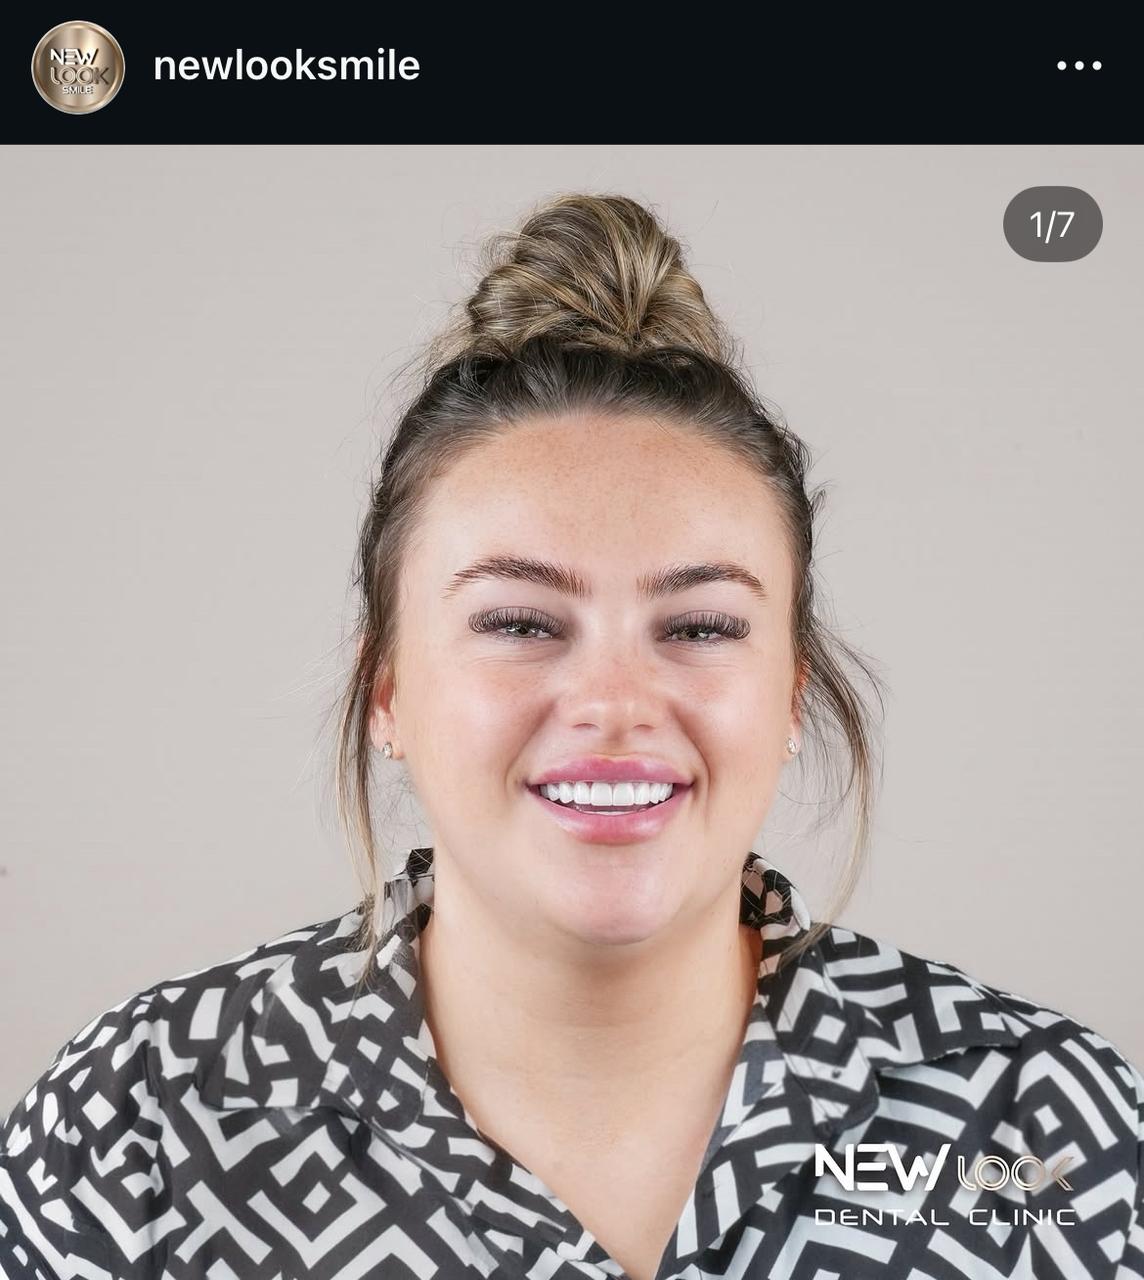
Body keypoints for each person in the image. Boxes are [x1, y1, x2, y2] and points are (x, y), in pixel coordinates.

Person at [2, 193, 1141, 1280]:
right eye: (518, 622)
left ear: (792, 693)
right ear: (387, 687)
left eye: (699, 625)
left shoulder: (1044, 1123)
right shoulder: (136, 1124)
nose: (614, 701)